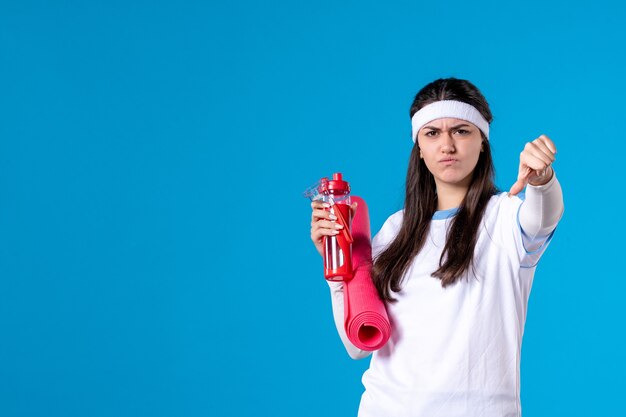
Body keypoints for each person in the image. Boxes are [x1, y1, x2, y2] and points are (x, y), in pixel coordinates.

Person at [309, 78, 564, 417]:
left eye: (461, 131)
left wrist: (542, 181)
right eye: (432, 133)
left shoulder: (505, 217)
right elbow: (359, 345)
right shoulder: (394, 230)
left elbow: (544, 216)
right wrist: (338, 265)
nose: (447, 145)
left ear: (483, 142)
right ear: (419, 148)